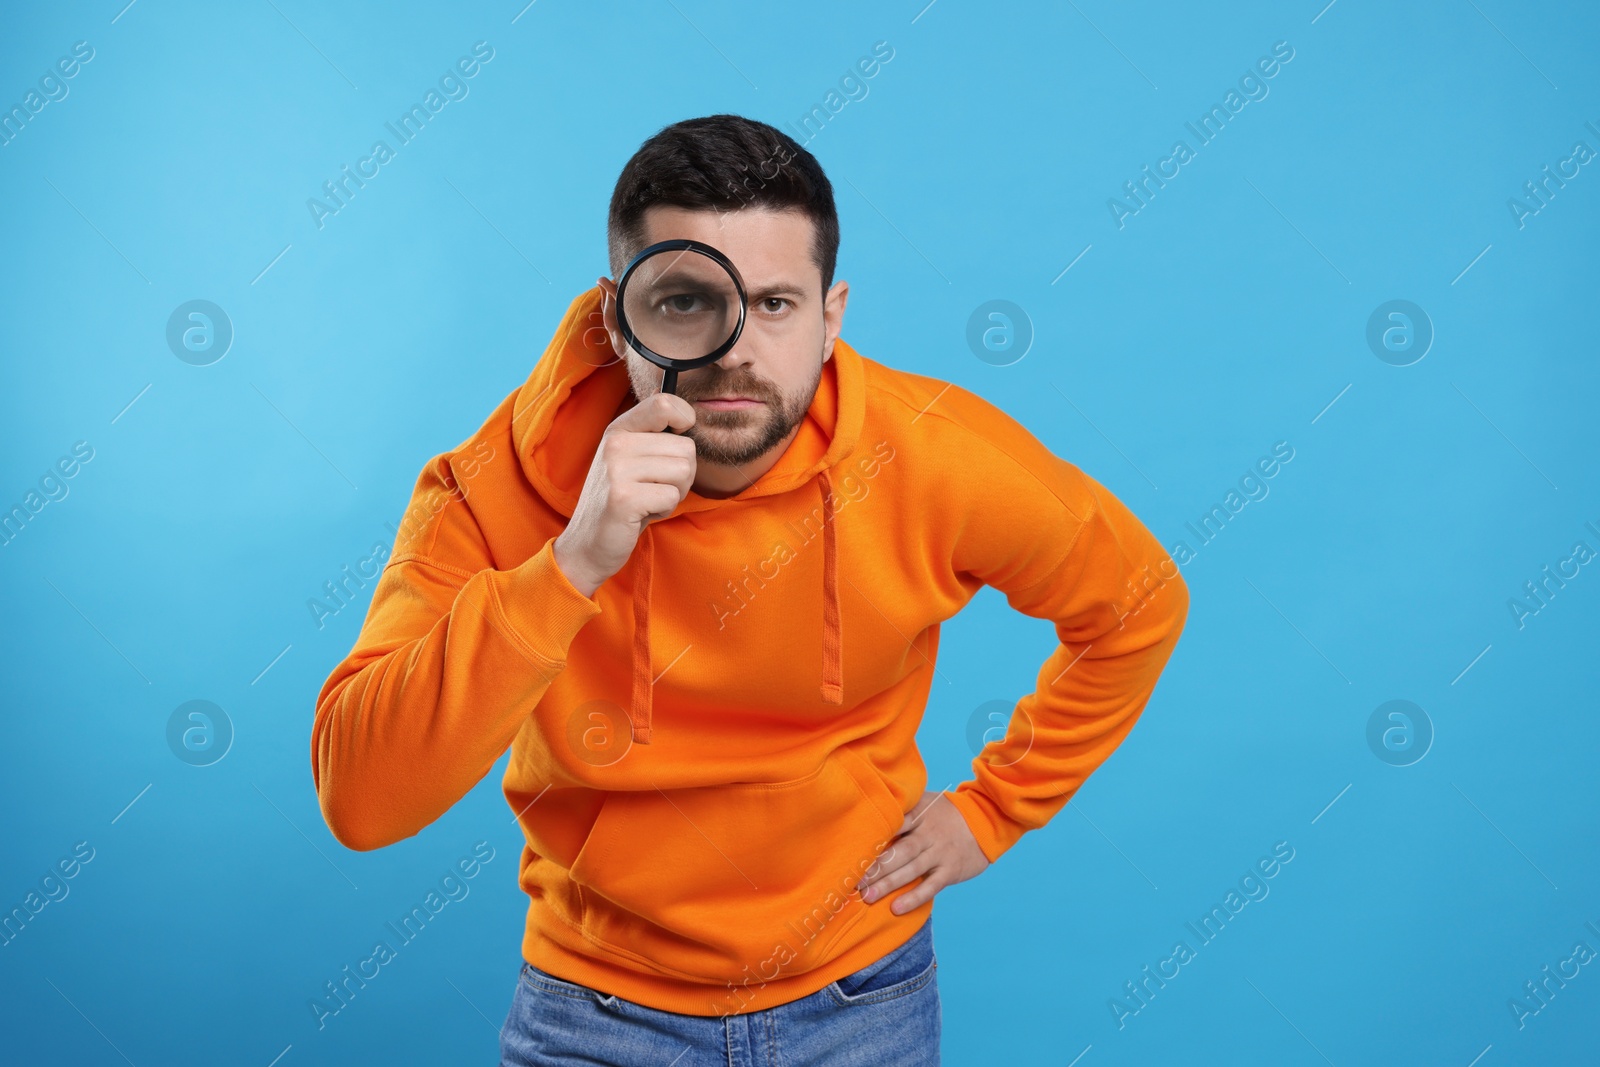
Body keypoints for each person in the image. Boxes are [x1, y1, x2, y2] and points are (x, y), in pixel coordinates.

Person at [310, 113, 1189, 1066]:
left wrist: (995, 808)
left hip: (861, 996)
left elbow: (1136, 600)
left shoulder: (932, 457)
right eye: (688, 301)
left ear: (832, 315)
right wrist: (569, 566)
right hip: (593, 1009)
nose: (735, 349)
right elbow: (361, 798)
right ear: (617, 315)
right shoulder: (491, 491)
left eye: (774, 304)